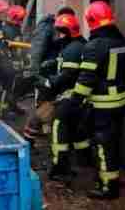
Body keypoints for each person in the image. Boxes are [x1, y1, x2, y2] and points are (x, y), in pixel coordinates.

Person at [69, 1, 125, 200]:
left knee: (102, 141)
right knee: (114, 139)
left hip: (103, 102)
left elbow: (86, 79)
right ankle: (114, 176)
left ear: (91, 21)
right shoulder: (124, 42)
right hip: (122, 100)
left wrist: (75, 100)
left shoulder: (95, 46)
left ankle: (108, 186)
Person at [35, 13, 89, 182]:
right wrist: (52, 64)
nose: (57, 36)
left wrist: (45, 81)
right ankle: (84, 160)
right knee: (78, 130)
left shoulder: (72, 49)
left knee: (59, 130)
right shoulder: (80, 44)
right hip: (81, 98)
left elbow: (66, 77)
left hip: (69, 98)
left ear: (66, 32)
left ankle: (60, 168)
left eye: (59, 32)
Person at [23, 6, 76, 140]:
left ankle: (41, 132)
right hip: (45, 73)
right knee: (44, 105)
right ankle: (29, 138)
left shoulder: (56, 28)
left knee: (50, 103)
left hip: (53, 72)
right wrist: (35, 73)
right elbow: (37, 50)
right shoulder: (47, 27)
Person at [0, 5, 28, 116]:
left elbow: (19, 48)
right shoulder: (9, 30)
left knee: (13, 88)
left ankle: (11, 106)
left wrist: (25, 59)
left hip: (14, 64)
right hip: (10, 64)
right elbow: (13, 49)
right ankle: (4, 110)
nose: (20, 21)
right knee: (8, 88)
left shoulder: (12, 28)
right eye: (19, 19)